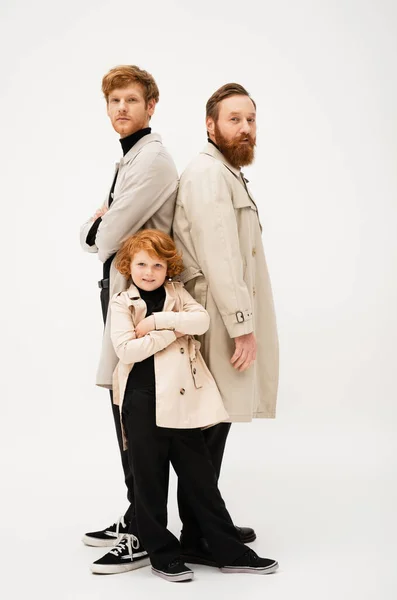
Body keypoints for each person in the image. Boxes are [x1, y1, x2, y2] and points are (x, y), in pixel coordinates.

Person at [91, 229, 279, 582]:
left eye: (158, 265)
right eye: (142, 264)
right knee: (149, 482)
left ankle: (227, 550)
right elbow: (127, 350)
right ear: (129, 266)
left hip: (183, 401)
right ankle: (162, 555)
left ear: (168, 268)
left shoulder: (178, 294)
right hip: (141, 401)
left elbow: (202, 321)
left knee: (201, 481)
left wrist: (158, 322)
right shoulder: (122, 302)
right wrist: (173, 333)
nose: (149, 272)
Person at [173, 83, 279, 565]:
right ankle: (210, 537)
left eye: (251, 119)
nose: (245, 128)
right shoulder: (208, 174)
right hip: (216, 322)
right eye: (234, 119)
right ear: (210, 124)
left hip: (222, 317)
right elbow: (220, 255)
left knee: (212, 430)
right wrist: (241, 325)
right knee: (206, 431)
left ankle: (201, 528)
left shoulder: (226, 173)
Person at [79, 65, 178, 550]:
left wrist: (100, 227)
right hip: (120, 292)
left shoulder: (154, 160)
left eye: (131, 100)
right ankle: (136, 514)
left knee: (135, 409)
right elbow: (89, 234)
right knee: (122, 405)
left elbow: (108, 234)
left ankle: (145, 529)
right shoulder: (129, 158)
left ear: (150, 107)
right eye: (114, 101)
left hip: (142, 298)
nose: (121, 108)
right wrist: (96, 228)